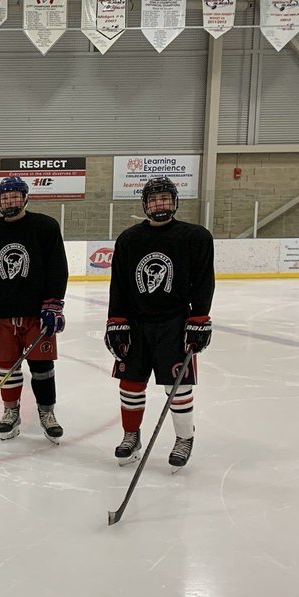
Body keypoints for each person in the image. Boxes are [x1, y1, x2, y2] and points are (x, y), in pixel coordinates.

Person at [105, 176, 215, 468]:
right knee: (130, 384)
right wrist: (116, 322)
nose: (160, 204)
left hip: (174, 324)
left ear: (175, 201)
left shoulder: (195, 237)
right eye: (154, 200)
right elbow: (119, 285)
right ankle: (132, 436)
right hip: (137, 324)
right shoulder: (129, 239)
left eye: (165, 198)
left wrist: (199, 319)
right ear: (145, 205)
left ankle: (184, 437)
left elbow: (204, 282)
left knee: (177, 387)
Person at [0, 176, 69, 442]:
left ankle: (47, 412)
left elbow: (57, 268)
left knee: (42, 366)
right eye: (5, 197)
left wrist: (54, 306)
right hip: (3, 313)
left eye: (15, 196)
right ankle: (10, 411)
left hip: (36, 314)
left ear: (25, 198)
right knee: (7, 368)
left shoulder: (45, 227)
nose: (10, 201)